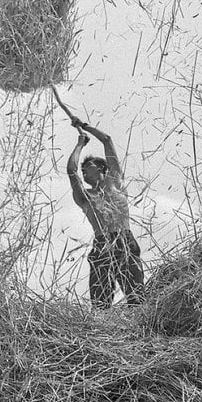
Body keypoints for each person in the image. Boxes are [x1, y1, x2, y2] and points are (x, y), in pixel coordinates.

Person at [66, 117, 144, 308]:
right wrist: (79, 145)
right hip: (102, 245)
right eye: (83, 169)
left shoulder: (115, 182)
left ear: (101, 167)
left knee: (137, 298)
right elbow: (71, 170)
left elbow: (107, 140)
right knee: (101, 304)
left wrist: (84, 127)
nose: (83, 171)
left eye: (88, 167)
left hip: (124, 240)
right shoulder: (85, 197)